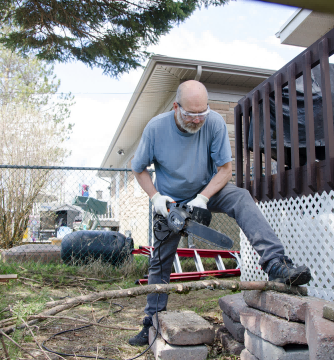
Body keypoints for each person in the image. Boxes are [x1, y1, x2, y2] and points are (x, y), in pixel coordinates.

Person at [128, 80, 311, 346]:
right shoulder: (156, 128)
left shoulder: (212, 122)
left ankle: (276, 264)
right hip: (170, 203)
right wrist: (155, 197)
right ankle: (151, 322)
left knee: (241, 197)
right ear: (176, 107)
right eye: (191, 114)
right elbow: (138, 168)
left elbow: (225, 170)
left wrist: (203, 198)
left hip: (207, 190)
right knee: (160, 261)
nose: (197, 120)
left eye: (202, 113)